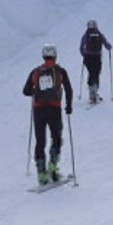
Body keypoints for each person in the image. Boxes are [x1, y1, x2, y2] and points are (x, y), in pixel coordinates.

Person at [23, 43, 74, 185]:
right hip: (54, 109)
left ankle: (41, 172)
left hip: (38, 110)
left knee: (40, 140)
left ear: (43, 56)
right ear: (55, 56)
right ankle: (53, 166)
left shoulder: (35, 72)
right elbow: (69, 89)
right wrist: (68, 106)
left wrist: (35, 92)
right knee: (56, 137)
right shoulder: (60, 71)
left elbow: (26, 91)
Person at [79, 20, 113, 105]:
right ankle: (95, 92)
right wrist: (109, 47)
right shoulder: (99, 34)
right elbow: (106, 44)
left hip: (88, 57)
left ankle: (91, 94)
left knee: (91, 73)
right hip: (97, 57)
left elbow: (81, 47)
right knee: (96, 74)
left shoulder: (86, 35)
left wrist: (84, 54)